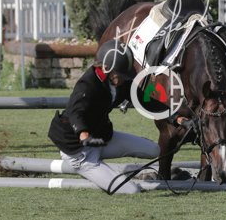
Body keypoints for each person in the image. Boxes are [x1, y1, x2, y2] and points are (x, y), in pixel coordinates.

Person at [48, 40, 160, 194]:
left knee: (154, 150)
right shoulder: (87, 84)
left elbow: (144, 99)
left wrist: (175, 116)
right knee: (132, 190)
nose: (124, 79)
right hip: (80, 152)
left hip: (101, 140)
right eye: (120, 74)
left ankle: (113, 172)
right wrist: (82, 132)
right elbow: (75, 112)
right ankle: (102, 173)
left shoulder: (120, 83)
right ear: (106, 68)